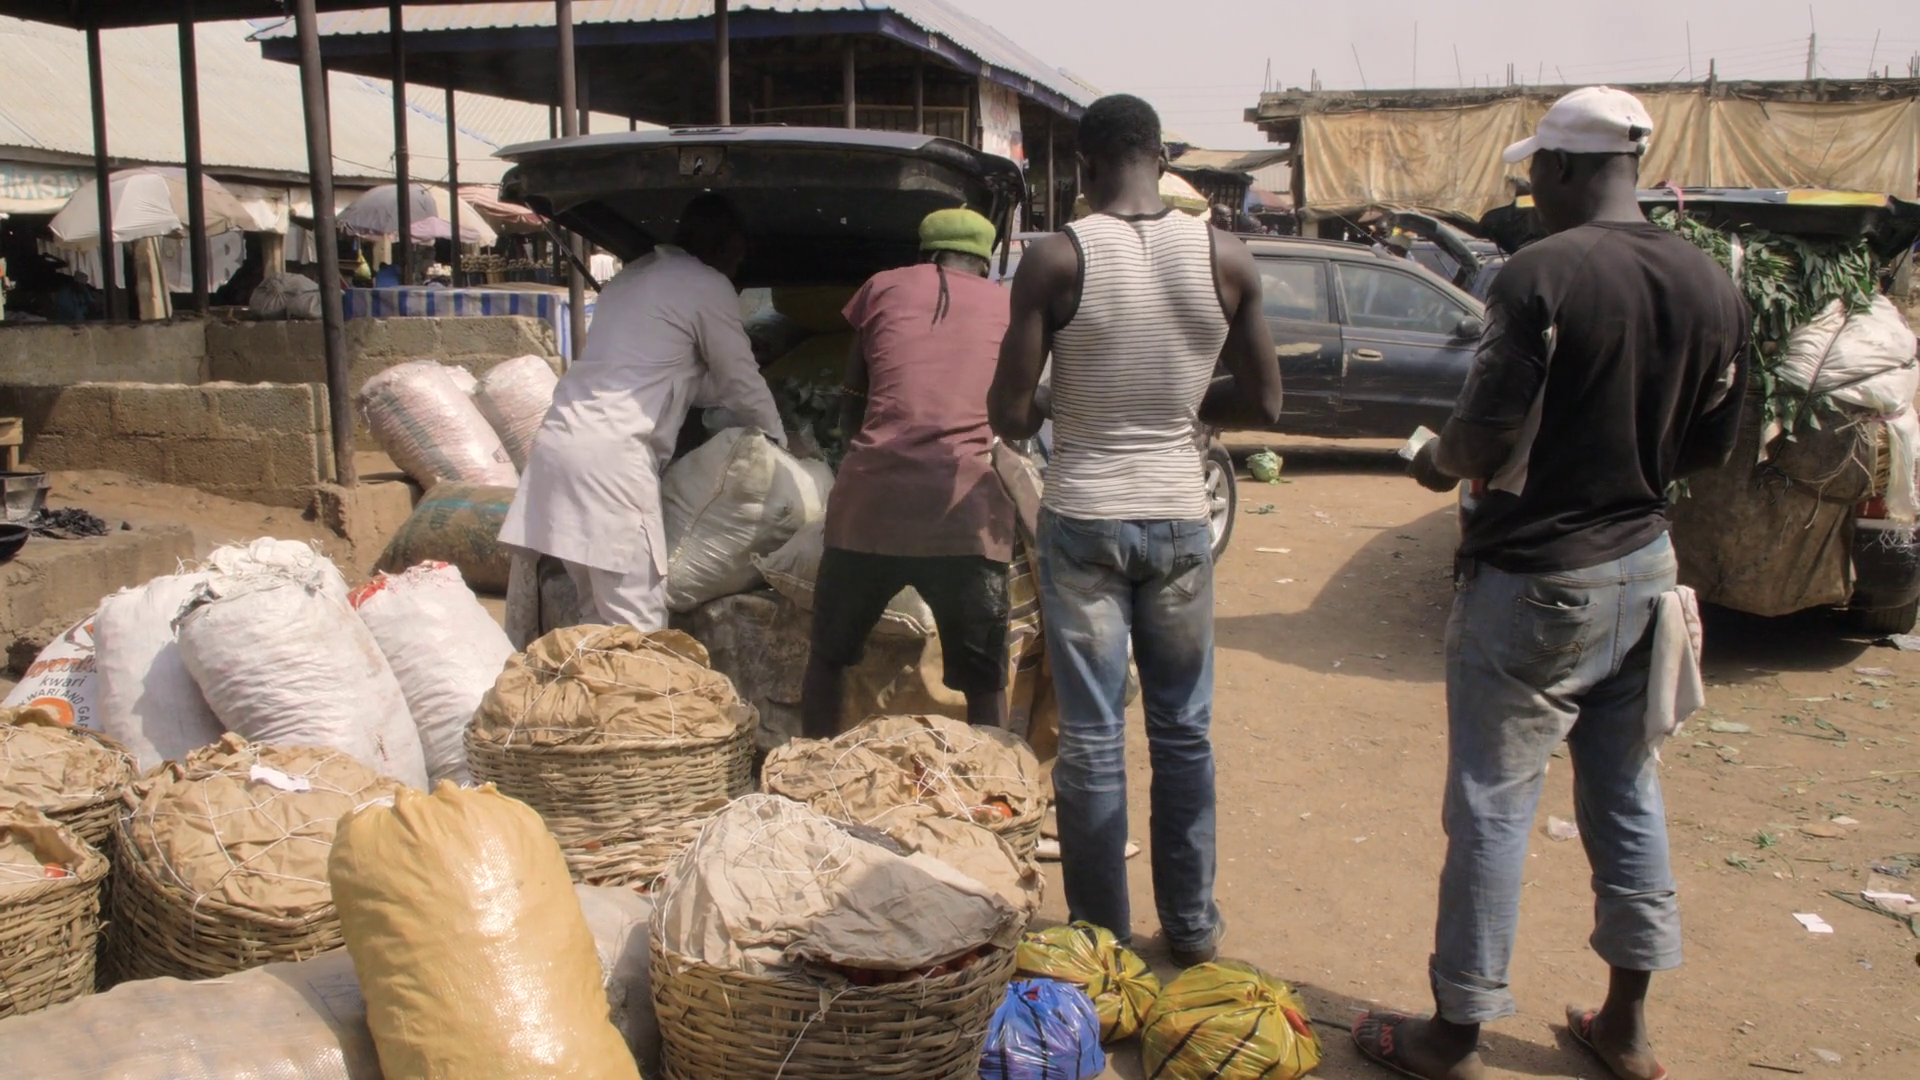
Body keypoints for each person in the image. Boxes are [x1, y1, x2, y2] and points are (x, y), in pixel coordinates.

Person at [1353, 86, 1749, 1080]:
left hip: (1536, 579)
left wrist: (1437, 462)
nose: (1532, 189)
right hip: (1645, 570)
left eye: (1537, 170)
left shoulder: (1541, 273)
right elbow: (1713, 446)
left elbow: (1484, 432)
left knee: (1492, 804)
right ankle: (1625, 1025)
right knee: (1626, 792)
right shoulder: (1713, 282)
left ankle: (1456, 1032)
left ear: (1566, 167)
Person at [988, 93, 1282, 967]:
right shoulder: (1226, 255)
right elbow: (1266, 401)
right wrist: (1181, 409)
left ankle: (1102, 940)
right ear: (1160, 159)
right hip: (1181, 519)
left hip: (1084, 515)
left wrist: (1068, 402)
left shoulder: (1056, 257)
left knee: (1090, 738)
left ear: (1084, 168)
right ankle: (1191, 928)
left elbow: (1008, 414)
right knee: (1184, 732)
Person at [500, 194, 785, 630]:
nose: (736, 273)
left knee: (596, 617)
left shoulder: (630, 279)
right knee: (640, 623)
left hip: (558, 446)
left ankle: (598, 676)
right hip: (612, 462)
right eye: (737, 261)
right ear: (726, 248)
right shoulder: (706, 284)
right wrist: (780, 443)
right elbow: (740, 380)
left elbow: (674, 381)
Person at [798, 208, 1016, 738]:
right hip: (963, 512)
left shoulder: (882, 287)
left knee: (828, 657)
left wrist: (867, 458)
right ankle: (994, 773)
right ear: (985, 262)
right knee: (984, 680)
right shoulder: (1006, 304)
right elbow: (1011, 411)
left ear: (924, 253)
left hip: (871, 505)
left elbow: (853, 396)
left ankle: (812, 764)